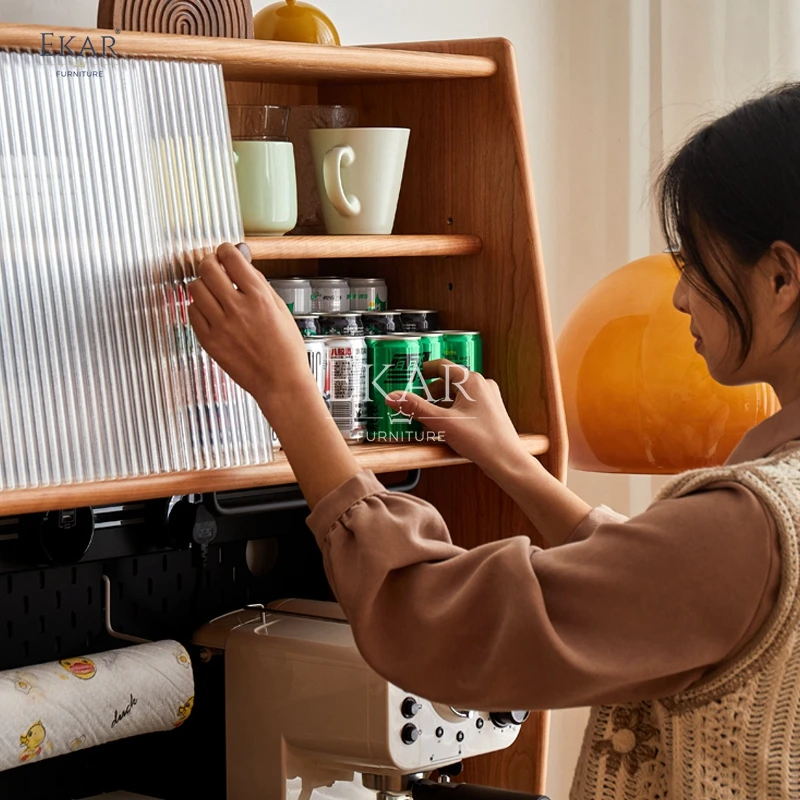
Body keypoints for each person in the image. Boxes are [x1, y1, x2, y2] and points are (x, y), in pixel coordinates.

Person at [187, 83, 800, 798]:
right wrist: (513, 464)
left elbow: (433, 618)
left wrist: (290, 391)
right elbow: (656, 585)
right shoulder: (752, 528)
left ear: (782, 276)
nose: (678, 294)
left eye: (693, 260)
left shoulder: (748, 531)